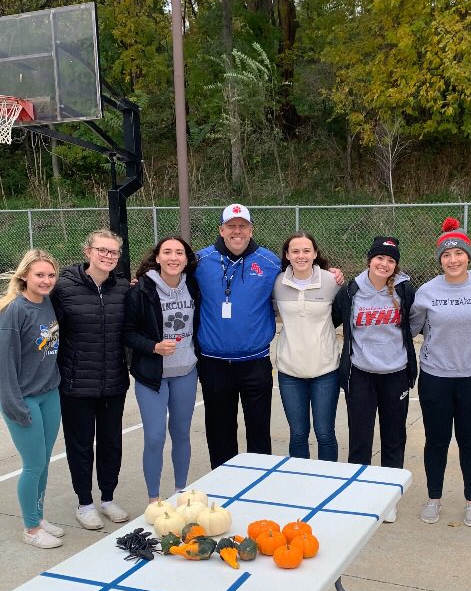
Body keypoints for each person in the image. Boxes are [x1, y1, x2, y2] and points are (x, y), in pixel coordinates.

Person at [195, 204, 343, 469]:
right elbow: (171, 273)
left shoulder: (270, 263)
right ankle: (224, 485)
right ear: (221, 230)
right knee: (220, 432)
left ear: (251, 230)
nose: (237, 232)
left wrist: (333, 273)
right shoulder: (200, 261)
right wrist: (142, 279)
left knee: (259, 433)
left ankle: (258, 485)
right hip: (214, 362)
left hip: (255, 362)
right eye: (231, 226)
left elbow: (305, 276)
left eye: (243, 226)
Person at [410, 218, 471, 528]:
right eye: (446, 255)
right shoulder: (427, 292)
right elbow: (411, 328)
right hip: (435, 377)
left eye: (458, 253)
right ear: (439, 259)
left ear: (468, 256)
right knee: (437, 440)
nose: (453, 259)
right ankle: (434, 498)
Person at [332, 235, 417, 522]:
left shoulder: (405, 290)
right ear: (370, 259)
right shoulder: (351, 291)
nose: (384, 263)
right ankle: (359, 495)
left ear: (395, 266)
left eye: (391, 260)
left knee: (394, 438)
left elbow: (415, 324)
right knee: (360, 438)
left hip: (395, 374)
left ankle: (387, 498)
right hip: (361, 375)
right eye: (379, 258)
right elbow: (331, 318)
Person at [50, 229, 131, 531]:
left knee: (111, 443)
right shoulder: (63, 288)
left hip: (113, 382)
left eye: (113, 252)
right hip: (75, 384)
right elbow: (48, 331)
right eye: (102, 250)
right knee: (80, 445)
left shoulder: (123, 288)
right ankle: (84, 503)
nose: (108, 256)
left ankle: (108, 498)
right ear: (88, 252)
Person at [123, 235, 201, 503]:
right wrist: (153, 347)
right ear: (157, 257)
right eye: (167, 252)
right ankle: (154, 499)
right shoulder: (141, 290)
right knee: (155, 437)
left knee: (181, 434)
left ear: (186, 259)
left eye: (179, 253)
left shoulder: (194, 284)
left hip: (186, 372)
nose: (173, 258)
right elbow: (128, 333)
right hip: (152, 376)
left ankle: (181, 491)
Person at [0, 249, 64, 549]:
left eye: (51, 275)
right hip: (23, 399)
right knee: (33, 464)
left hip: (49, 394)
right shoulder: (15, 311)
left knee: (45, 462)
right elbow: (5, 365)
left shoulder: (49, 302)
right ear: (24, 276)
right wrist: (15, 406)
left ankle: (38, 516)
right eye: (40, 274)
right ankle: (30, 529)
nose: (46, 280)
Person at [272, 231, 340, 461]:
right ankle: (301, 485)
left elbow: (344, 314)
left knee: (325, 433)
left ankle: (328, 486)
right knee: (298, 434)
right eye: (295, 251)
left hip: (325, 370)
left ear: (315, 253)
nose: (301, 255)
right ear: (287, 255)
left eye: (306, 250)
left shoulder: (331, 281)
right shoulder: (277, 282)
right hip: (290, 371)